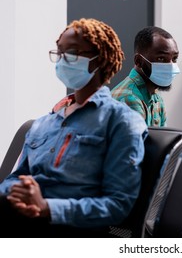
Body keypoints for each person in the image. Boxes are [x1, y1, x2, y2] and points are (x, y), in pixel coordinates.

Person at [0, 18, 148, 237]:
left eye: (72, 52)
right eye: (59, 53)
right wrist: (15, 192)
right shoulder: (44, 123)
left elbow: (117, 205)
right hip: (20, 219)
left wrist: (47, 208)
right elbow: (16, 177)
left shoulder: (122, 121)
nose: (62, 60)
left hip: (72, 230)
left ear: (99, 59)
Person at [111, 26, 180, 127]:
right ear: (138, 61)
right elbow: (140, 142)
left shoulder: (156, 97)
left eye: (174, 59)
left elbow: (163, 139)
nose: (170, 66)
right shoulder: (129, 98)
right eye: (161, 58)